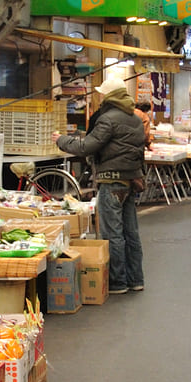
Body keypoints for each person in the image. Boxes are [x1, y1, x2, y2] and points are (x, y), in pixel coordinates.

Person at [56, 82, 148, 294]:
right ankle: (136, 279)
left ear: (108, 96)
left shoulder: (108, 118)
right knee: (131, 232)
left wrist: (61, 140)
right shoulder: (135, 118)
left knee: (112, 233)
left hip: (111, 180)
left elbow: (87, 145)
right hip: (131, 179)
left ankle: (118, 282)